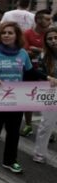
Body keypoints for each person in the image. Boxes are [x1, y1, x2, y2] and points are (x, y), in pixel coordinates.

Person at [0, 22, 55, 174]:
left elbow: (31, 72)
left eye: (10, 33)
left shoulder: (22, 54)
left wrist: (47, 77)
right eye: (3, 33)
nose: (6, 35)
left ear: (16, 36)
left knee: (13, 132)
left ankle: (10, 160)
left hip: (16, 100)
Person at [20, 9, 53, 137]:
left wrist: (37, 49)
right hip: (30, 71)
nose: (50, 21)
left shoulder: (51, 34)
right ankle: (28, 125)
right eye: (48, 19)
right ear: (38, 20)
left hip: (47, 72)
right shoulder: (27, 33)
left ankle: (47, 129)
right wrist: (43, 50)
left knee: (47, 101)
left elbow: (50, 50)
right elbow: (25, 51)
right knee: (28, 99)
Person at [33, 28, 57, 163]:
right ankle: (39, 153)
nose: (53, 41)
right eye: (50, 39)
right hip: (50, 91)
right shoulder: (43, 56)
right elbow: (38, 74)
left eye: (56, 37)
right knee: (46, 124)